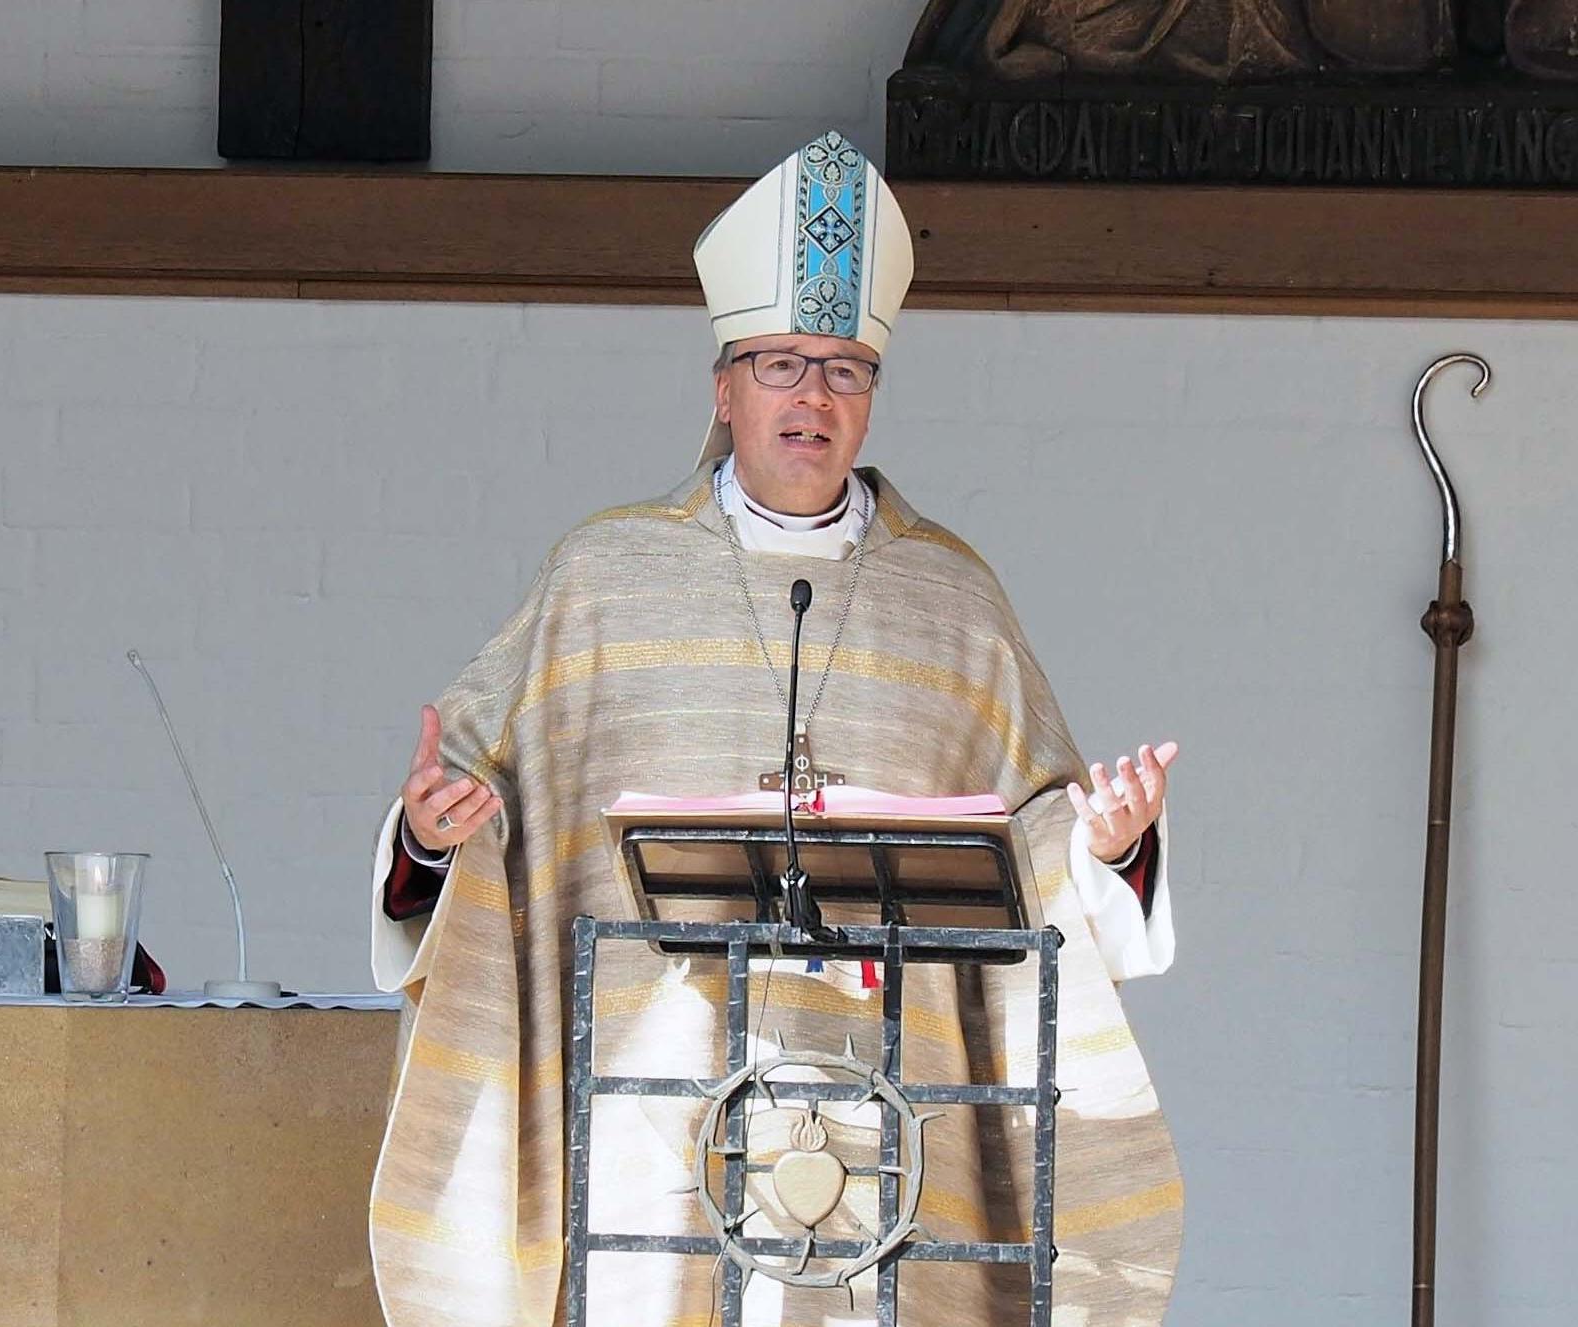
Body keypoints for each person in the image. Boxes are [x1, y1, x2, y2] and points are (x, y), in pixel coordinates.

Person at [365, 130, 1182, 1327]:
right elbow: (484, 796)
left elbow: (1031, 841)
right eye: (781, 364)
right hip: (655, 1111)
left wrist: (1105, 847)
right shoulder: (605, 578)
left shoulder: (948, 598)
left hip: (890, 1122)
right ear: (723, 387)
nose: (813, 397)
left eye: (845, 370)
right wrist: (435, 842)